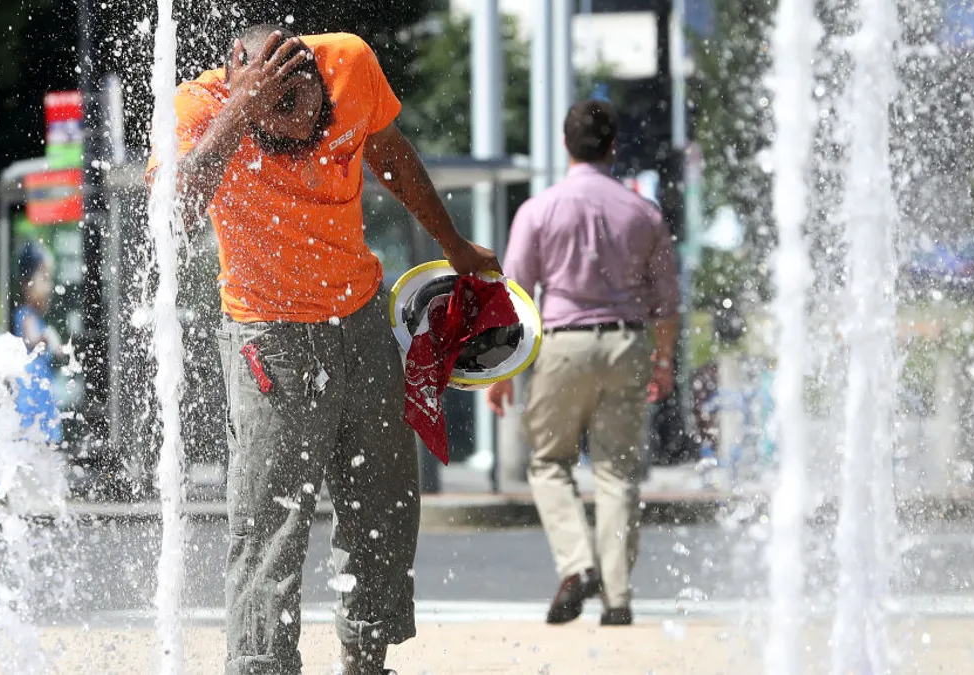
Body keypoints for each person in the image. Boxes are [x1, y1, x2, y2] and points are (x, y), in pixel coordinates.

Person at [148, 25, 500, 675]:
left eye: (313, 116)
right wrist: (237, 113)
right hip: (268, 340)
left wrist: (454, 245)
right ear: (243, 88)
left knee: (386, 501)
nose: (303, 137)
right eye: (278, 122)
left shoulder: (352, 62)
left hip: (360, 320)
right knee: (270, 523)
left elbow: (388, 151)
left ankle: (366, 657)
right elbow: (173, 214)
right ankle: (261, 664)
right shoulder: (199, 109)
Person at [486, 100, 680, 627]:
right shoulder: (644, 213)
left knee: (550, 463)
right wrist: (662, 361)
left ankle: (577, 565)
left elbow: (517, 296)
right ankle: (617, 599)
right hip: (627, 342)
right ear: (614, 146)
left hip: (563, 344)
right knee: (618, 472)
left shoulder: (540, 209)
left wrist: (503, 373)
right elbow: (666, 300)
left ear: (566, 146)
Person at [12, 241, 64, 446]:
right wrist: (47, 337)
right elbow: (31, 340)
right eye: (44, 278)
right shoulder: (27, 316)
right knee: (32, 441)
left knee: (40, 446)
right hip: (31, 395)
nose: (49, 286)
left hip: (40, 393)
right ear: (27, 283)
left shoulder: (36, 318)